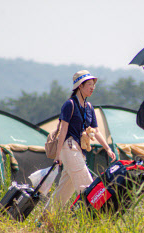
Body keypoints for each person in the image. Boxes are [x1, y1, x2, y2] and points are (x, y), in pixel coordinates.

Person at [44, 70, 116, 212]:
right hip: (68, 148)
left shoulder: (89, 107)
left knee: (63, 191)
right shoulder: (69, 104)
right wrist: (57, 155)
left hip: (79, 151)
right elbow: (63, 131)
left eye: (93, 84)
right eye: (89, 84)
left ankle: (44, 221)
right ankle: (95, 219)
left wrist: (107, 148)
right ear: (80, 86)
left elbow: (96, 130)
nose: (92, 87)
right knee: (87, 187)